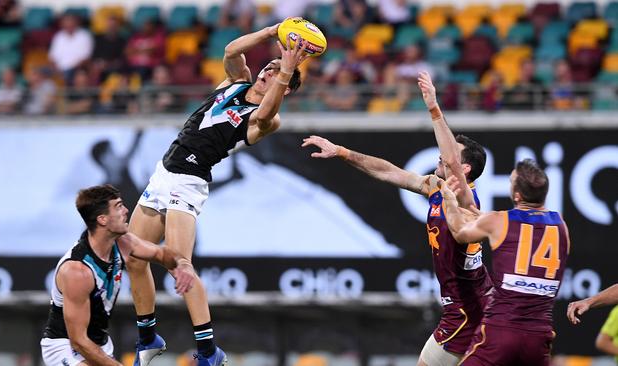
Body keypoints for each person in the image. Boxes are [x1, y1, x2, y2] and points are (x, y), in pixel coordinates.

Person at [126, 22, 310, 366]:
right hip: (163, 173)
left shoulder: (265, 118)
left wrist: (286, 70)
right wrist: (272, 32)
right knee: (134, 257)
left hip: (189, 182)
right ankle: (148, 337)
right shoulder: (236, 83)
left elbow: (267, 112)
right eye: (268, 68)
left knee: (179, 265)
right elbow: (231, 51)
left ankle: (209, 351)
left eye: (274, 73)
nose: (266, 73)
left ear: (284, 88)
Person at [302, 71, 491, 366]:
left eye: (450, 154)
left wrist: (433, 107)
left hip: (468, 310)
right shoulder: (435, 187)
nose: (441, 157)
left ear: (465, 169)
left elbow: (451, 159)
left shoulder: (469, 201)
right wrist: (342, 152)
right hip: (466, 306)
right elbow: (390, 172)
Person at [40, 184, 195, 366]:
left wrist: (182, 264)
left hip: (100, 344)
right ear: (103, 219)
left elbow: (160, 254)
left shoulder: (123, 242)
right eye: (119, 206)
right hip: (65, 347)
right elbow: (78, 341)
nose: (126, 210)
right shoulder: (77, 271)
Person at [439, 159, 570, 366]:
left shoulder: (498, 220)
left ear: (517, 195)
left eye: (511, 182)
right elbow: (528, 231)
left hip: (501, 331)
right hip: (538, 338)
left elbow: (458, 233)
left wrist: (449, 201)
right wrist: (486, 218)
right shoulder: (561, 225)